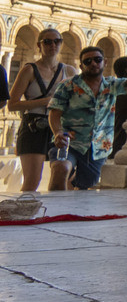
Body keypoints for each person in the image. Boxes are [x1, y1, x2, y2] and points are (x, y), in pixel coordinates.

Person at [47, 46, 127, 191]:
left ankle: (70, 196)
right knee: (60, 168)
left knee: (86, 183)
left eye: (97, 60)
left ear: (104, 62)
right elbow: (55, 113)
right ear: (81, 66)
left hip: (97, 147)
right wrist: (57, 132)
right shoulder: (68, 85)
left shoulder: (111, 85)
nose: (93, 63)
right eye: (88, 61)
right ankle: (55, 209)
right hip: (70, 142)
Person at [8, 29, 75, 192]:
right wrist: (45, 101)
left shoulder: (69, 71)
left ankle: (55, 214)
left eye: (57, 41)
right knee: (32, 181)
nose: (52, 45)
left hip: (59, 128)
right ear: (39, 45)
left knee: (66, 177)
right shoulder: (29, 70)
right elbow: (12, 104)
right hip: (34, 127)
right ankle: (24, 215)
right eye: (47, 42)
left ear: (61, 44)